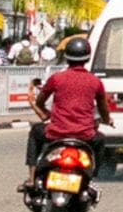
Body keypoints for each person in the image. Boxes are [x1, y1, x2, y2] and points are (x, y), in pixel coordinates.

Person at [28, 33, 107, 168]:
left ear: (66, 57)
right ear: (87, 58)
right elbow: (103, 109)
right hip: (85, 135)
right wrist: (107, 119)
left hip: (56, 133)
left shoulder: (56, 79)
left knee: (35, 131)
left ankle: (31, 176)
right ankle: (93, 174)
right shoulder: (95, 81)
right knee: (101, 140)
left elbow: (40, 101)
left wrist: (46, 112)